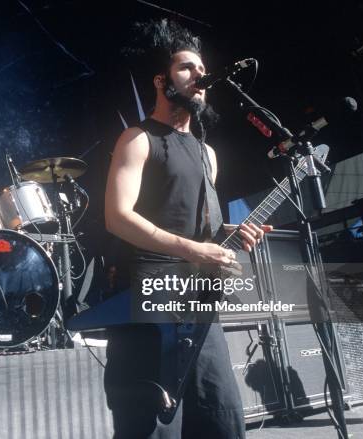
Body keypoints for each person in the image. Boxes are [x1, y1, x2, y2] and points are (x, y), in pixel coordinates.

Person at [104, 19, 272, 438]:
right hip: (147, 305)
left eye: (202, 70)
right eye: (187, 68)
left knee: (222, 418)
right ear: (162, 81)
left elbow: (200, 228)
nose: (200, 76)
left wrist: (227, 235)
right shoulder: (138, 138)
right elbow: (117, 217)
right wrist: (195, 251)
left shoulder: (207, 153)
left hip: (198, 309)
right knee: (150, 426)